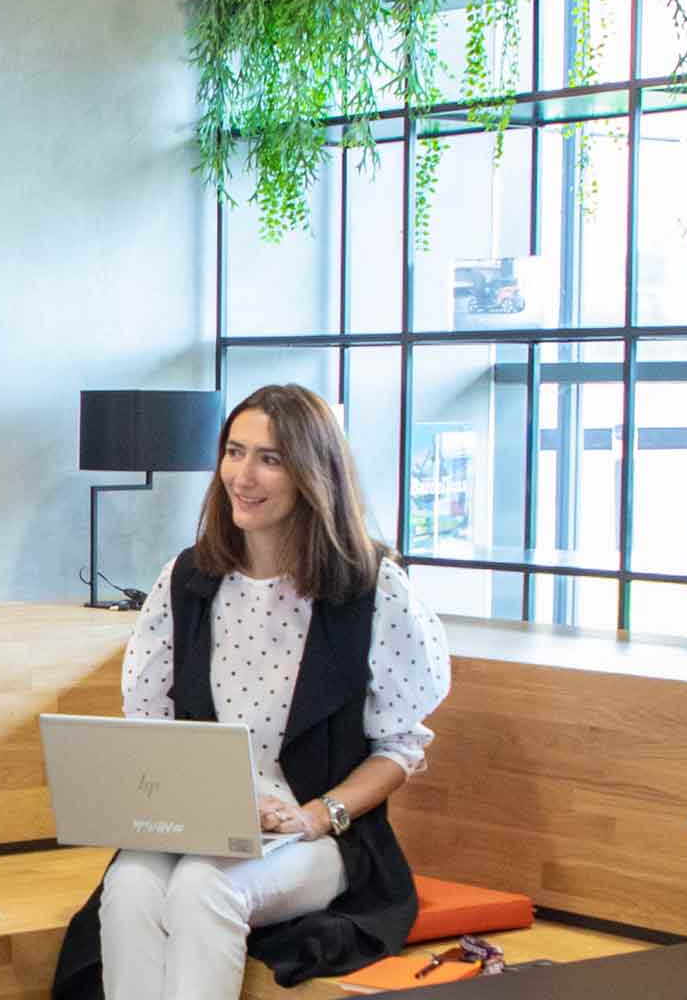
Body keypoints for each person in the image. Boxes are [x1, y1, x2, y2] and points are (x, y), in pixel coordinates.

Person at [54, 384, 450, 1000]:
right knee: (129, 884)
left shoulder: (373, 589)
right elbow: (150, 728)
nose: (244, 474)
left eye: (270, 458)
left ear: (313, 474)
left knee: (202, 889)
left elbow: (400, 747)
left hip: (318, 836)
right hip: (196, 825)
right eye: (235, 452)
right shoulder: (187, 580)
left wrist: (316, 815)